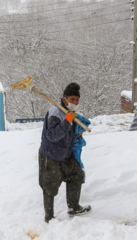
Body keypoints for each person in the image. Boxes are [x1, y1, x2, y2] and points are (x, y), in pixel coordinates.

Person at [38, 83, 91, 223]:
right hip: (51, 155)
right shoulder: (56, 112)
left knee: (77, 174)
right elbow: (52, 135)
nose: (75, 102)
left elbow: (68, 132)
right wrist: (67, 121)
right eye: (72, 99)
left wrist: (77, 134)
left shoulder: (70, 113)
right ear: (65, 98)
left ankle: (74, 207)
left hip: (66, 154)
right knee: (50, 185)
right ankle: (49, 217)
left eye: (77, 100)